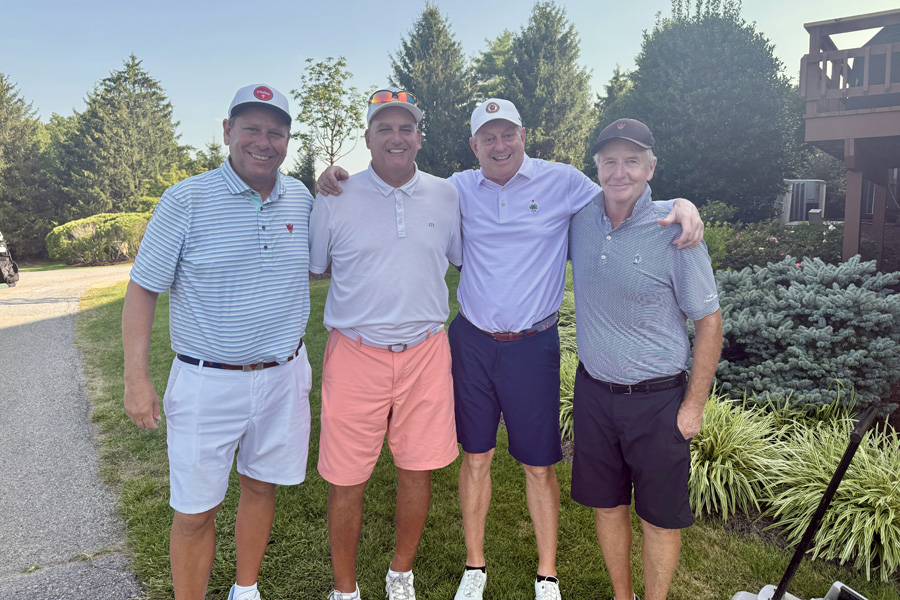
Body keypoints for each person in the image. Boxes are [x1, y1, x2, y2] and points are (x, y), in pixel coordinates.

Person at [317, 99, 704, 600]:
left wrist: (680, 204)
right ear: (473, 145)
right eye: (488, 138)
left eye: (508, 135)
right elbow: (403, 190)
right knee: (475, 456)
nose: (499, 146)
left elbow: (623, 194)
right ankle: (474, 566)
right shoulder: (453, 189)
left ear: (524, 136)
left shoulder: (562, 181)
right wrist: (336, 178)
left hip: (533, 345)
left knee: (538, 465)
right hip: (472, 341)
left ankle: (547, 573)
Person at [122, 84, 314, 600]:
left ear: (287, 140)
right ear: (228, 132)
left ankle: (245, 589)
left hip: (283, 376)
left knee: (262, 486)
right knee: (194, 511)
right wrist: (136, 379)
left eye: (276, 132)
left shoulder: (301, 197)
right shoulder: (186, 199)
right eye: (251, 128)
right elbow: (142, 290)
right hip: (207, 381)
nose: (263, 142)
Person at [309, 87, 462, 600]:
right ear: (368, 137)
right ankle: (345, 589)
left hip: (426, 351)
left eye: (406, 128)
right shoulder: (335, 195)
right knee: (346, 476)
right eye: (384, 128)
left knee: (417, 468)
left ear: (419, 136)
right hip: (355, 352)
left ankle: (401, 573)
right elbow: (316, 264)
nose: (396, 137)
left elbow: (457, 255)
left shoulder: (446, 194)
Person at [568, 118, 722, 600]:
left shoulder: (675, 231)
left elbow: (709, 321)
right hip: (594, 394)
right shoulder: (579, 219)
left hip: (657, 402)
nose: (620, 172)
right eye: (610, 161)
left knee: (659, 518)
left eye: (632, 161)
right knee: (607, 506)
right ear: (596, 166)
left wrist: (693, 407)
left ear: (651, 167)